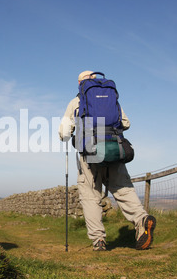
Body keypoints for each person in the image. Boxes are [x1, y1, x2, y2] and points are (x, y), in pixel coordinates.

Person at [58, 70, 156, 251]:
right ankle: (141, 220)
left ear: (80, 83)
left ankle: (99, 240)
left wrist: (73, 132)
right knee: (123, 189)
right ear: (96, 80)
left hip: (90, 154)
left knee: (90, 195)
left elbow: (64, 133)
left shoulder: (76, 101)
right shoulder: (112, 99)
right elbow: (126, 123)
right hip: (113, 148)